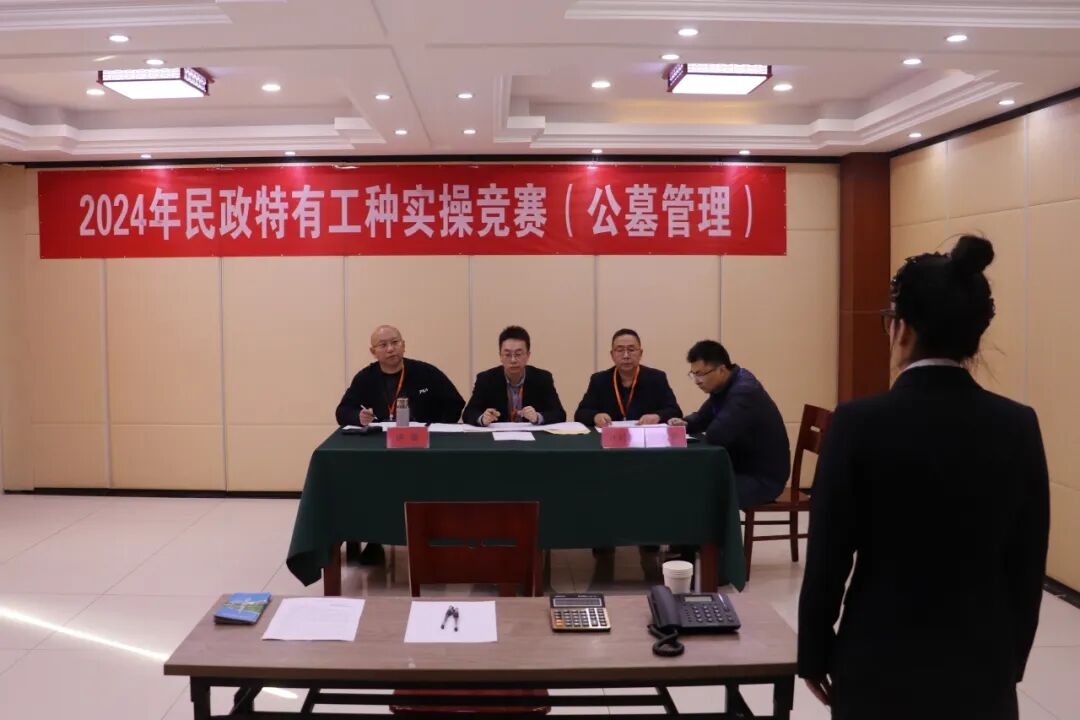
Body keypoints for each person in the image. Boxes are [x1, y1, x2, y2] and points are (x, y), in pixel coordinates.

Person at [798, 236, 1049, 720]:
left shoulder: (857, 422)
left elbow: (828, 554)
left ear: (902, 328)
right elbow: (1026, 561)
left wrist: (814, 652)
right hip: (981, 662)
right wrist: (1009, 662)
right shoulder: (1017, 424)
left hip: (877, 656)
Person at [334, 324, 465, 565]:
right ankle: (374, 539)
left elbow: (456, 403)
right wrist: (357, 417)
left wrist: (433, 426)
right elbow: (343, 411)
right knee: (368, 480)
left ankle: (434, 536)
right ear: (373, 351)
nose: (390, 349)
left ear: (404, 345)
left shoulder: (426, 372)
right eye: (383, 345)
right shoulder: (365, 378)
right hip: (381, 450)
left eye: (395, 342)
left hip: (423, 447)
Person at [670, 341, 790, 511]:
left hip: (761, 479)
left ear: (721, 369)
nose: (697, 381)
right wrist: (685, 423)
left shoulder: (744, 391)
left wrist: (704, 426)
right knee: (687, 480)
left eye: (700, 374)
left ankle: (715, 530)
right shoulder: (726, 384)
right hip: (739, 467)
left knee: (697, 491)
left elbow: (717, 435)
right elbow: (703, 417)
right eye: (693, 374)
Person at [574, 328, 682, 427]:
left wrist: (658, 416)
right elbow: (581, 413)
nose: (626, 356)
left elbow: (675, 411)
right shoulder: (599, 380)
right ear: (612, 354)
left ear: (640, 353)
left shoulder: (656, 378)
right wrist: (595, 417)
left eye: (631, 349)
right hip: (611, 438)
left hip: (644, 438)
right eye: (620, 350)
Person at [463, 325, 566, 426]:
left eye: (518, 354)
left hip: (531, 435)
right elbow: (468, 413)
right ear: (500, 356)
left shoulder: (542, 378)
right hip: (498, 435)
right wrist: (482, 418)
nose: (513, 360)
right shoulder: (486, 379)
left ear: (528, 355)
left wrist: (538, 417)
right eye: (507, 354)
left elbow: (559, 414)